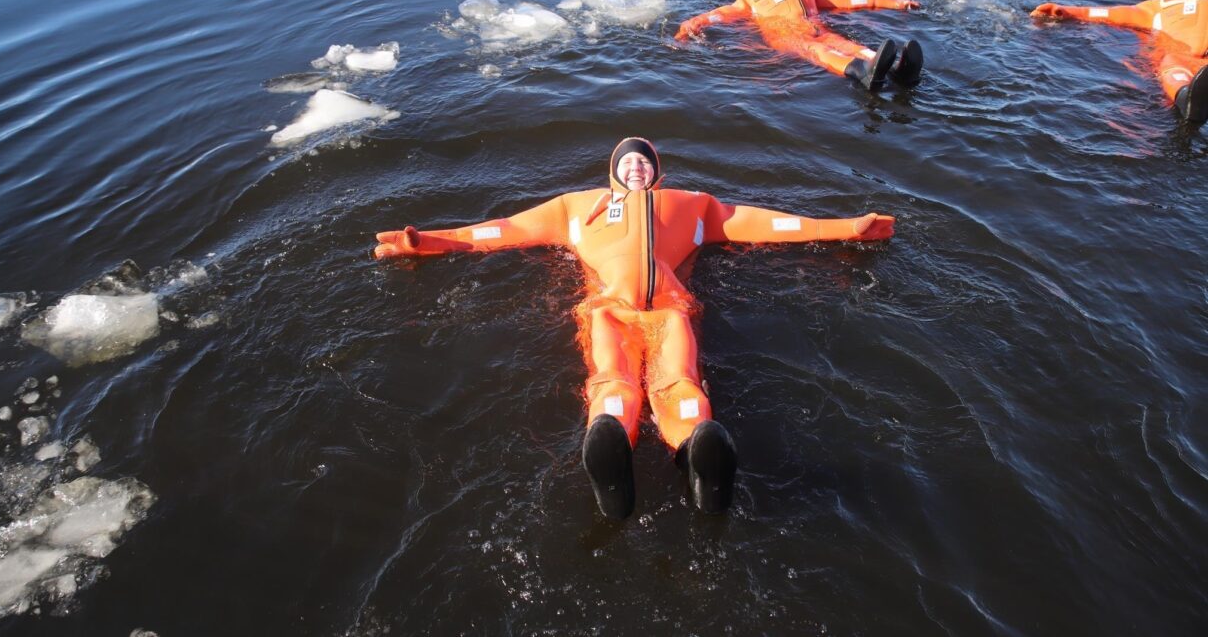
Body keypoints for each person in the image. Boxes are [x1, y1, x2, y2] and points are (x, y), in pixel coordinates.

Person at [373, 137, 895, 519]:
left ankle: (697, 447)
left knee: (681, 382)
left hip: (671, 309)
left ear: (657, 173)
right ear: (614, 173)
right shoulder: (575, 209)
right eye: (628, 162)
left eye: (645, 162)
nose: (637, 168)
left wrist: (845, 228)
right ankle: (611, 450)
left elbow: (769, 223)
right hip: (608, 308)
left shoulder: (694, 206)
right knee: (613, 377)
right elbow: (502, 232)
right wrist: (430, 242)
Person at [674, 0, 925, 90]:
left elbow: (849, 1)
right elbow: (722, 14)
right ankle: (860, 72)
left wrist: (896, 3)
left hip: (819, 30)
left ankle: (893, 67)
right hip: (787, 37)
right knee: (819, 51)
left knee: (848, 44)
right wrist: (693, 23)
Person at [1030, 0, 1208, 123]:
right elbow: (1114, 14)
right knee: (1173, 65)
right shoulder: (1163, 7)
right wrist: (1066, 11)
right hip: (1175, 57)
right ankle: (1187, 99)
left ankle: (1193, 98)